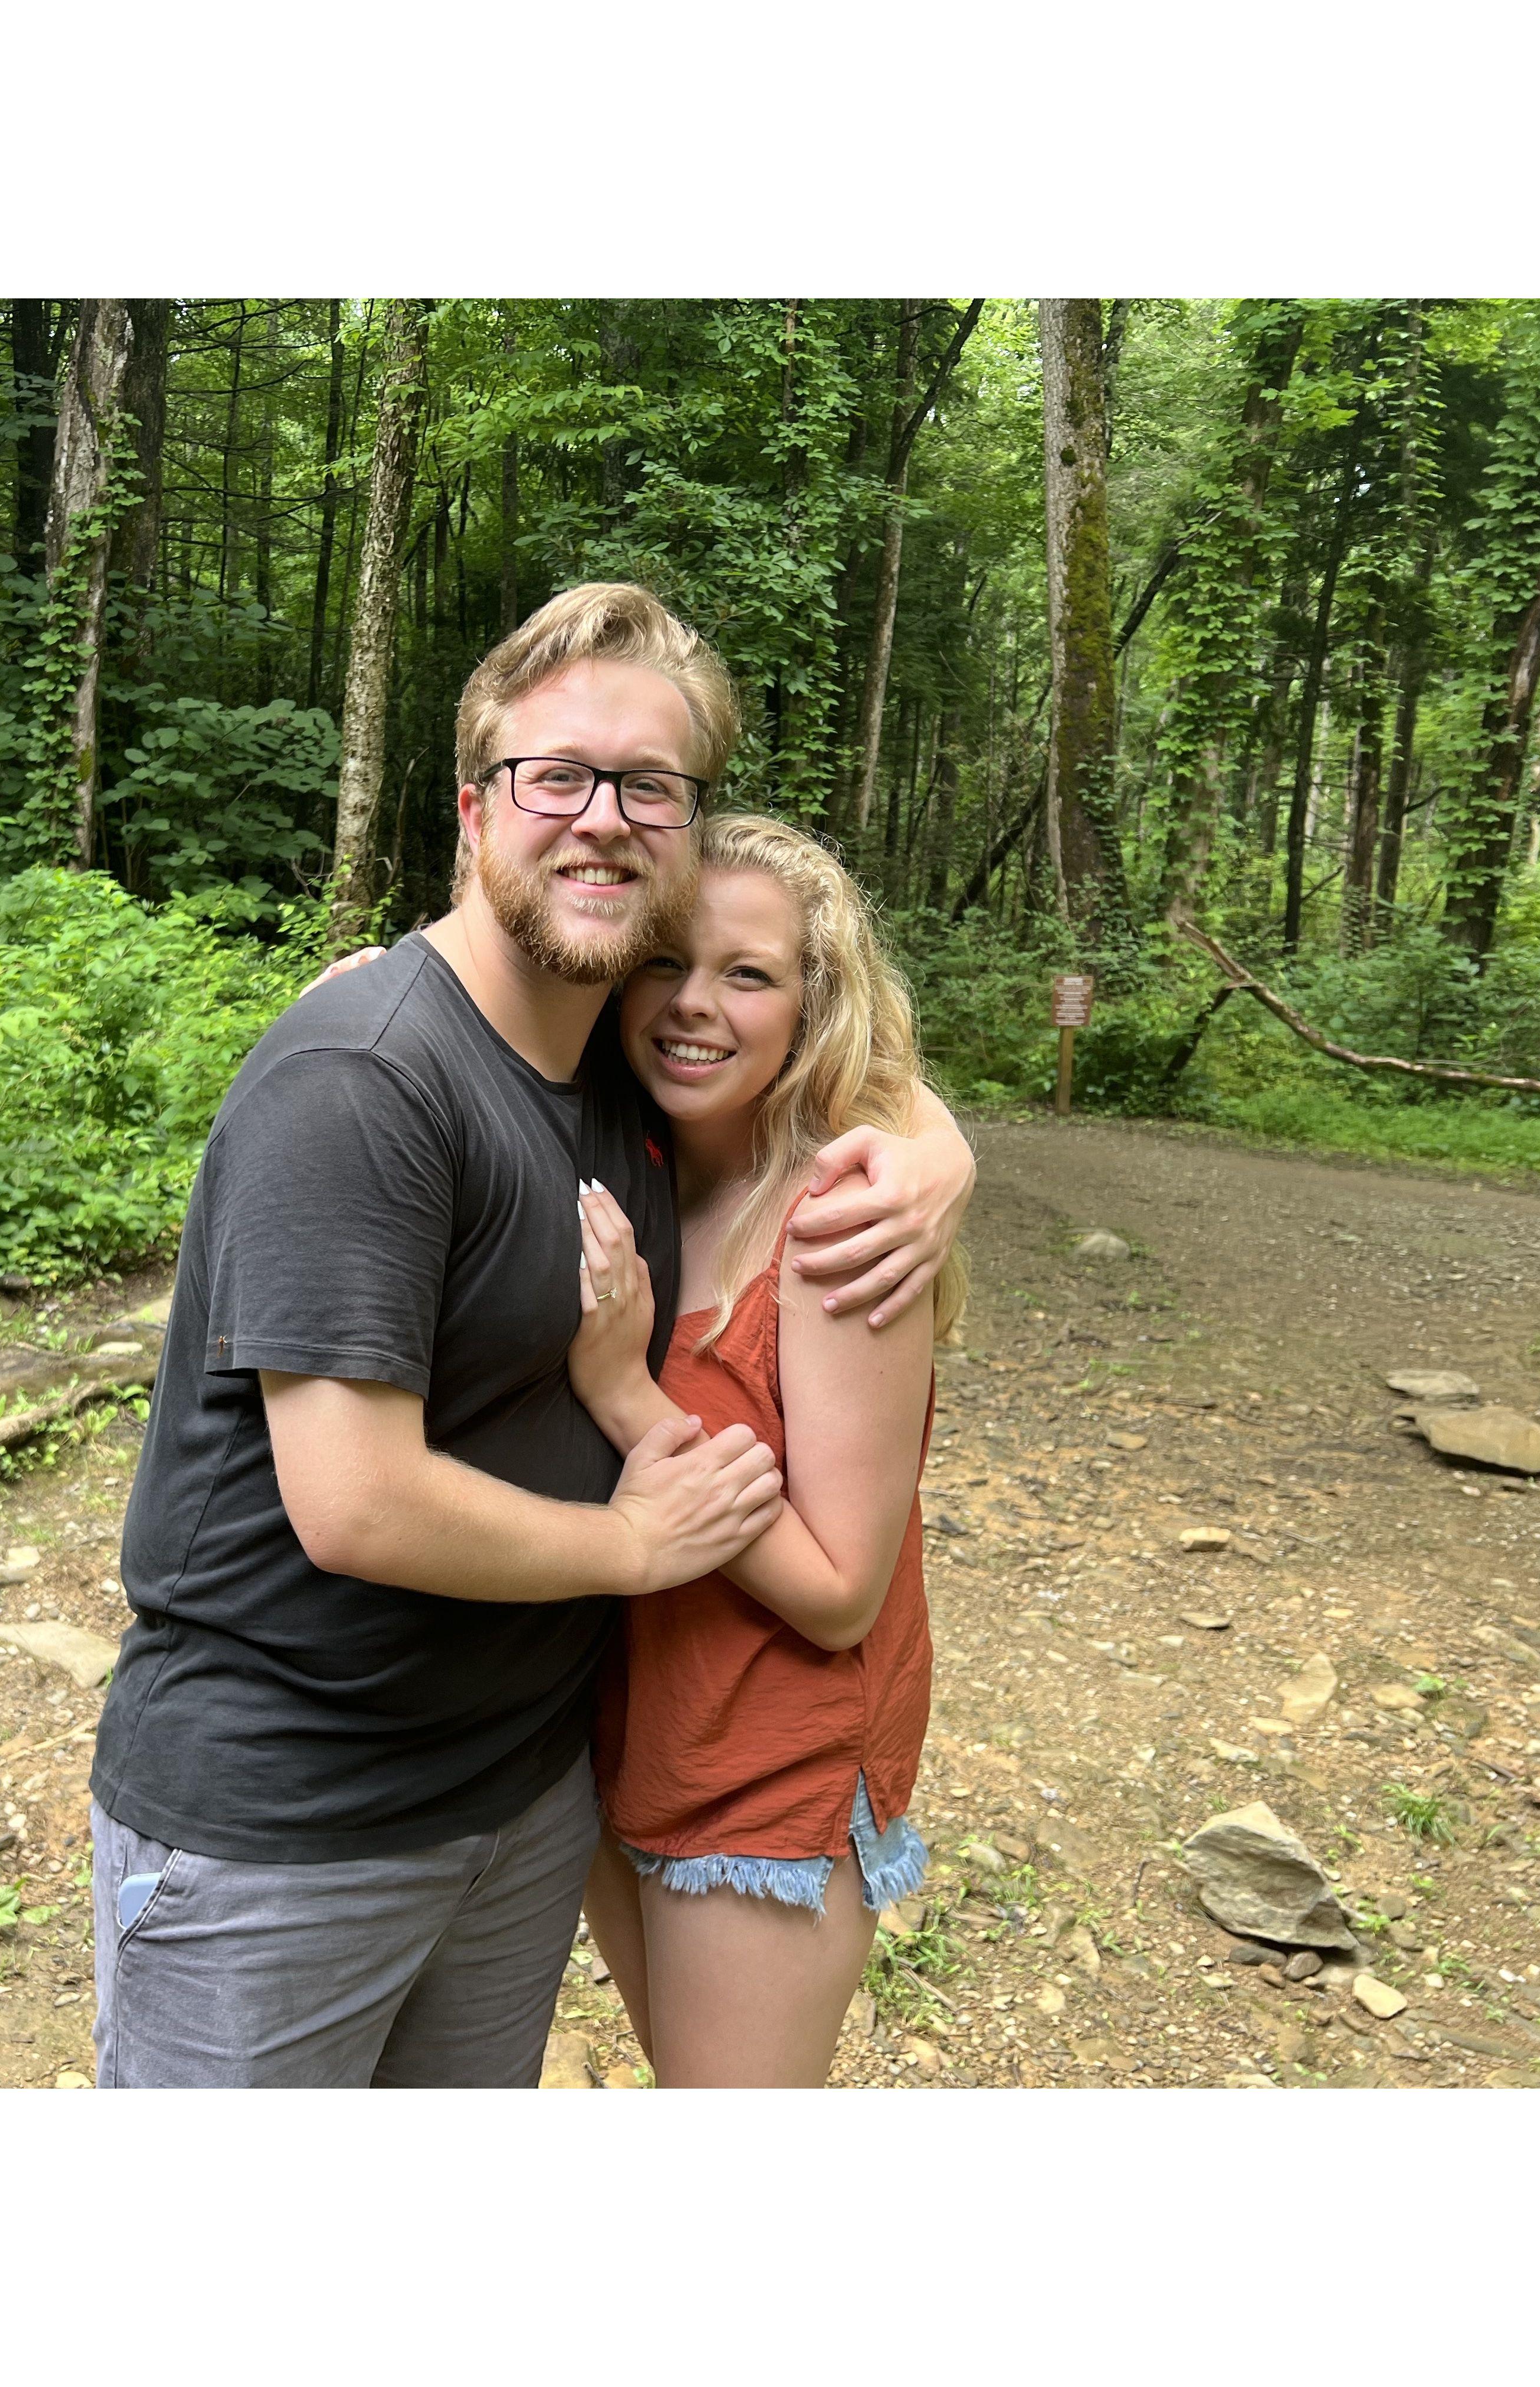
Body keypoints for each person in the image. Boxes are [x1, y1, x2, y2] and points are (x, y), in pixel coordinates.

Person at [88, 584, 973, 2087]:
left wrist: (935, 1143)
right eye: (556, 775)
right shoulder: (367, 1079)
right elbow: (355, 1499)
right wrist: (635, 1544)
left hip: (520, 1810)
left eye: (651, 785)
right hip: (292, 1831)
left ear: (688, 831)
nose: (603, 817)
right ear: (474, 814)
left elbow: (796, 1061)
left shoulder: (618, 1089)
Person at [565, 811, 962, 2087]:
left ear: (813, 1005)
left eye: (750, 975)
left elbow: (844, 1591)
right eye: (667, 962)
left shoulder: (844, 1224)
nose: (695, 1006)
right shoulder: (633, 1159)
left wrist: (627, 1398)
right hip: (625, 1736)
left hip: (765, 1777)